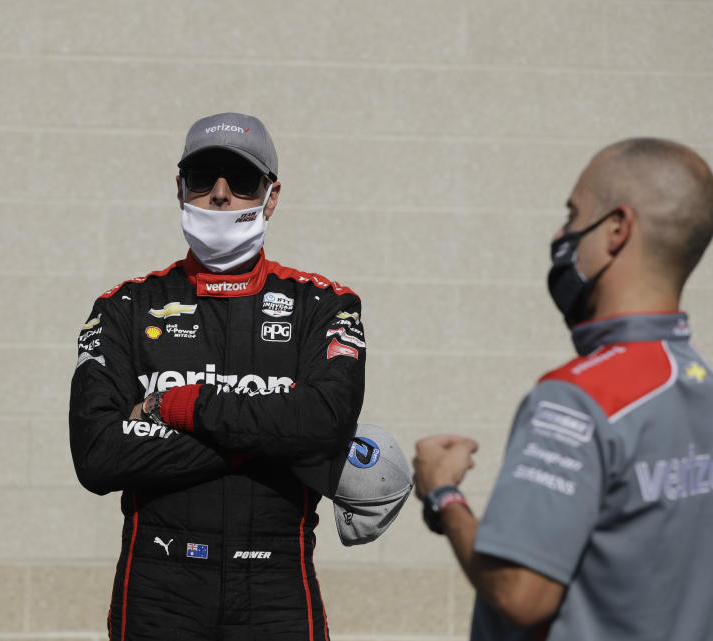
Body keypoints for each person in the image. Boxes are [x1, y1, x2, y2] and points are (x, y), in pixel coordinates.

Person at [69, 112, 366, 641]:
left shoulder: (325, 304)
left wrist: (175, 408)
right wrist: (274, 435)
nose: (221, 195)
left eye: (242, 180)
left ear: (271, 197)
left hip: (278, 590)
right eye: (204, 178)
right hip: (158, 591)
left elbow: (324, 423)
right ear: (181, 189)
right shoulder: (125, 307)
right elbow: (98, 455)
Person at [413, 138, 713, 640]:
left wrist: (443, 494)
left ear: (617, 229)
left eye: (573, 216)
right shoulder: (699, 387)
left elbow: (520, 593)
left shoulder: (577, 398)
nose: (560, 233)